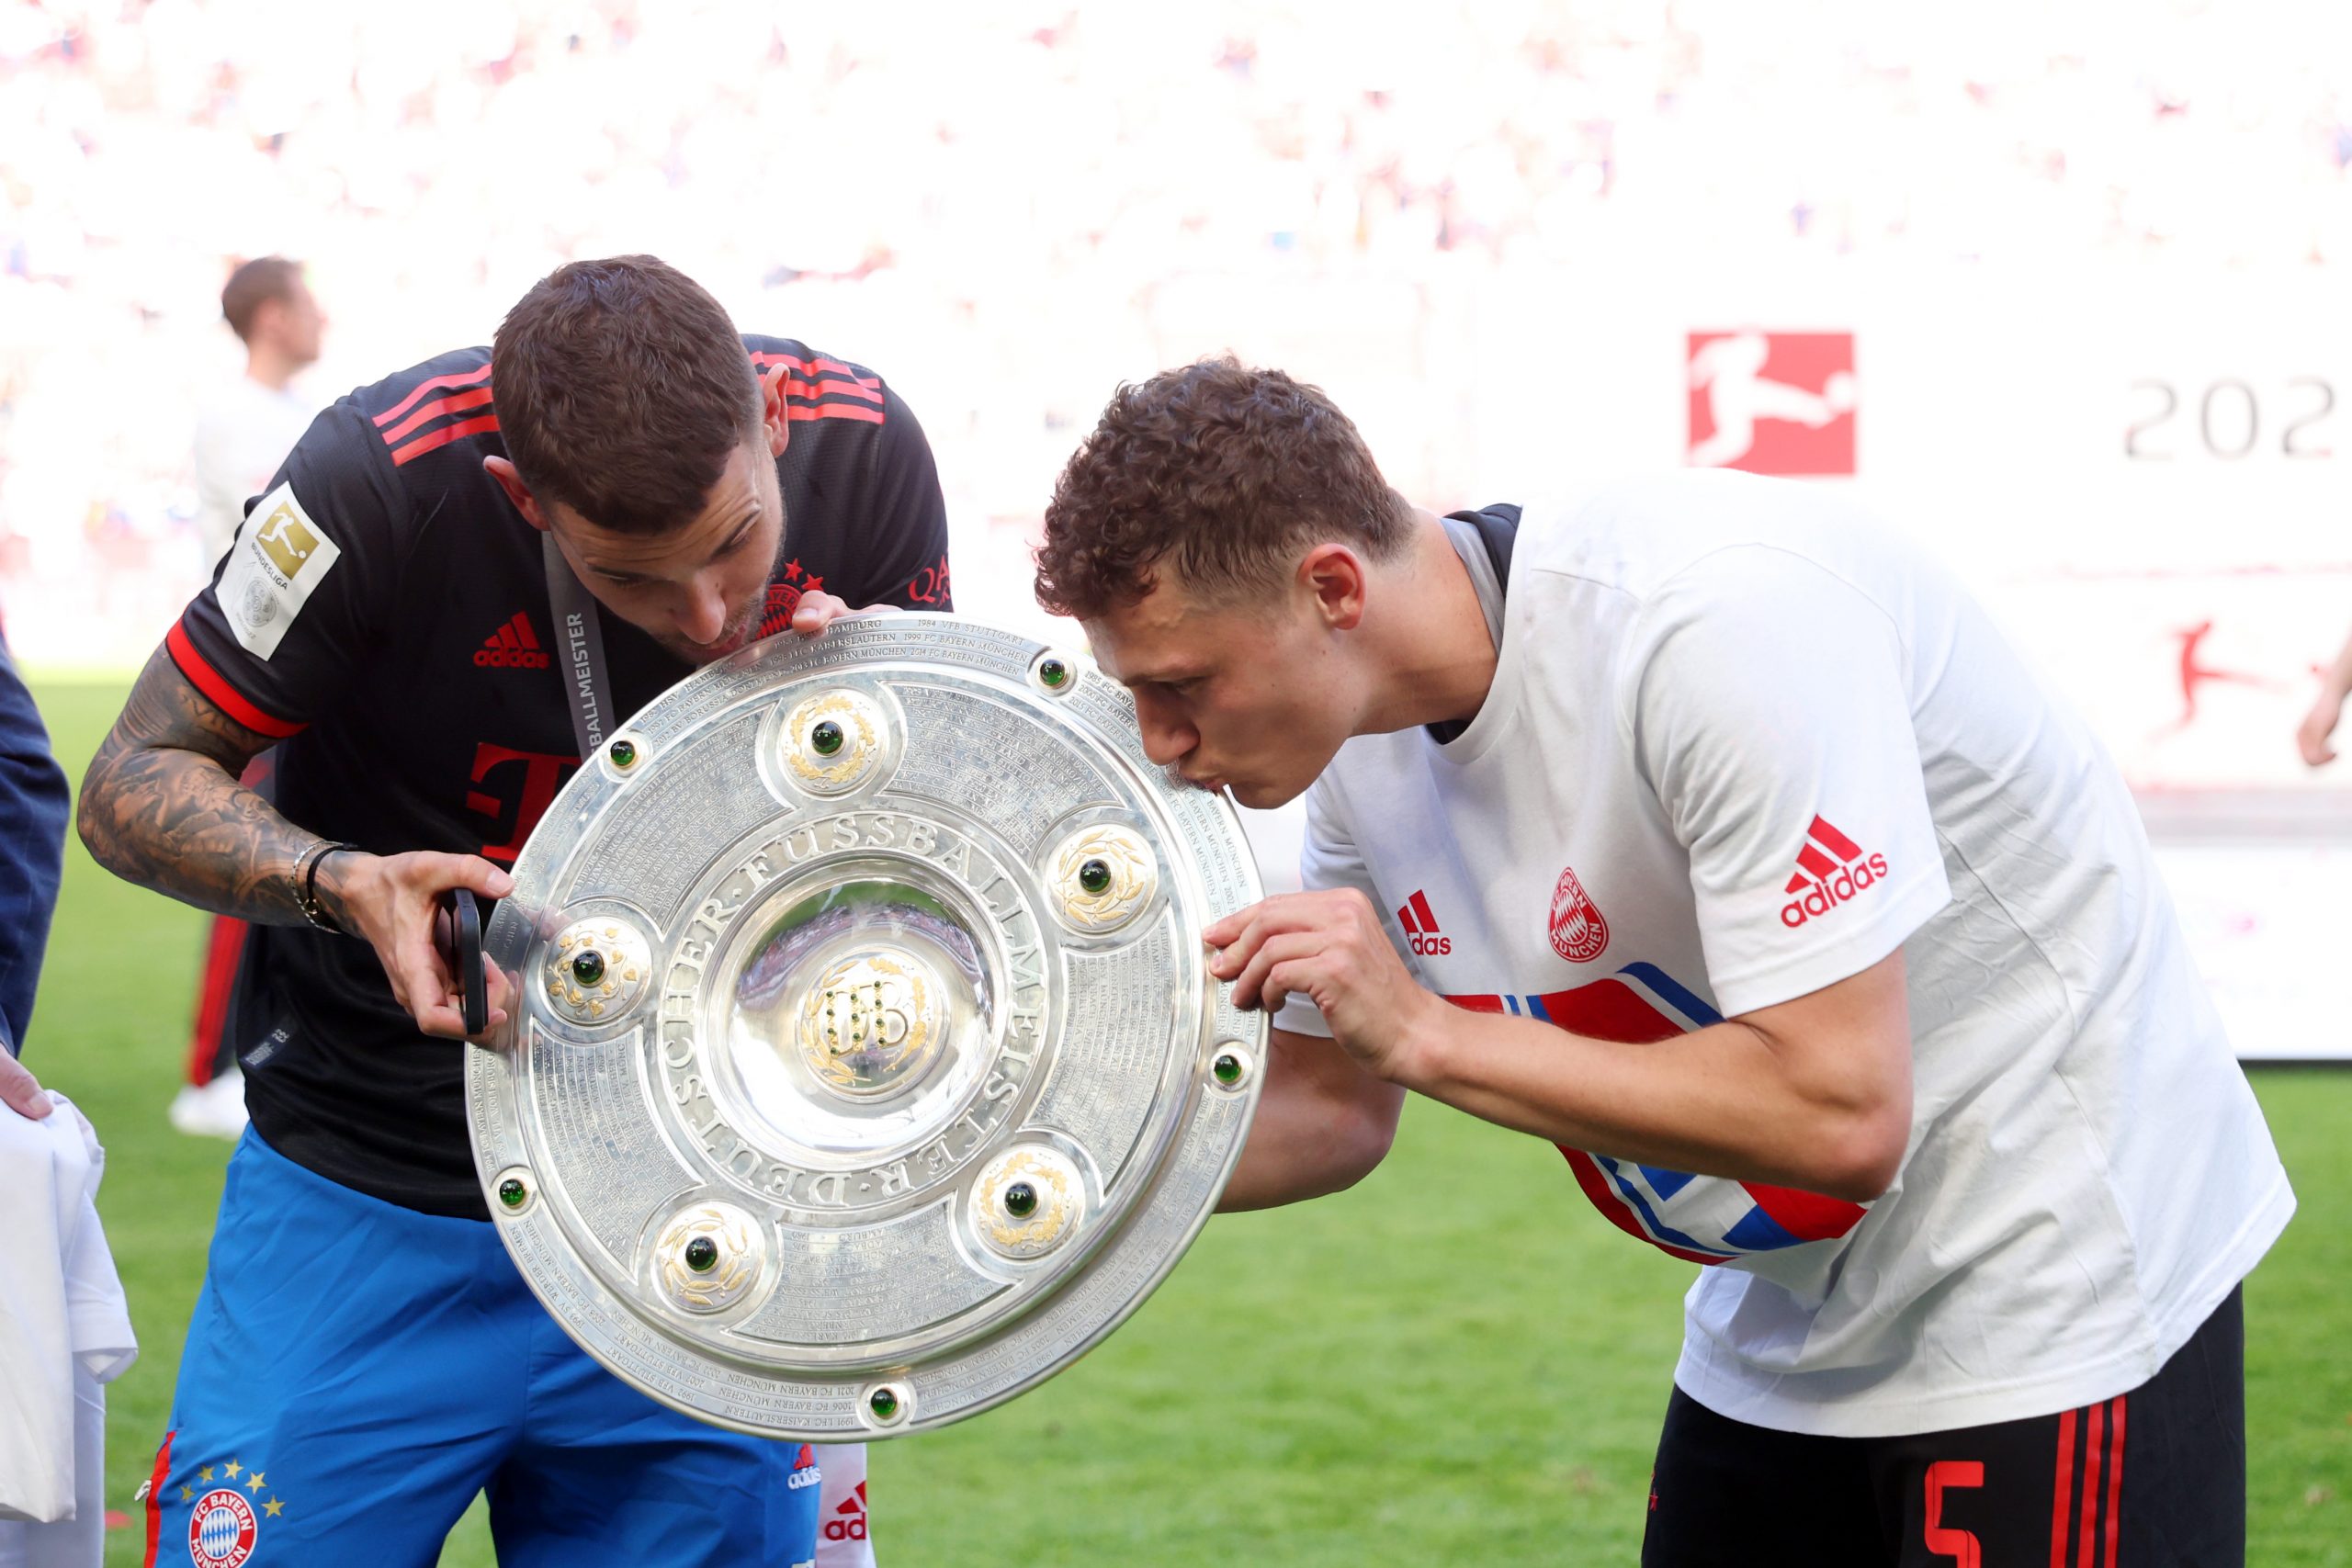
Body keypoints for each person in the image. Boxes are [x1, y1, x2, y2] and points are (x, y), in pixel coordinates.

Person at [1033, 357, 2292, 1568]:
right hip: (1785, 1308)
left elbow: (1840, 1108)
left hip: (2053, 1259)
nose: (1161, 740)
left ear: (1332, 588)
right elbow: (1325, 1109)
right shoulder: (1356, 739)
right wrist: (999, 1188)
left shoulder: (1715, 617)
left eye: (1182, 683)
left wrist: (1424, 1031)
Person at [78, 255, 951, 1568]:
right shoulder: (374, 478)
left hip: (692, 1222)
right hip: (369, 1186)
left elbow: (938, 851)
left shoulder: (867, 449)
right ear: (521, 499)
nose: (706, 612)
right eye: (637, 578)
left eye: (733, 543)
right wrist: (340, 881)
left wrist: (864, 724)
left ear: (775, 424)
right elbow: (127, 781)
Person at [175, 256, 329, 1141]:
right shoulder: (237, 416)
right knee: (248, 867)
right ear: (271, 316)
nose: (322, 320)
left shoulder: (293, 415)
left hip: (309, 679)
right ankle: (207, 1071)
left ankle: (261, 1049)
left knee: (296, 869)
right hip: (259, 673)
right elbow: (277, 532)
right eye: (308, 304)